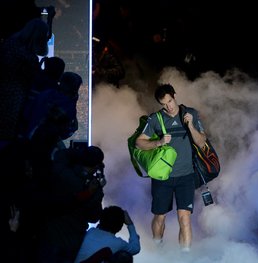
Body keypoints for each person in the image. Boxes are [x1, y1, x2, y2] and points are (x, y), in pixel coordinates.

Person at [135, 83, 206, 251]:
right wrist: (159, 142)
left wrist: (190, 126)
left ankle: (185, 257)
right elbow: (139, 143)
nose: (169, 107)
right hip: (163, 177)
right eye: (164, 104)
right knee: (160, 216)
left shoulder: (191, 114)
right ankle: (158, 248)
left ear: (174, 95)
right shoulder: (155, 119)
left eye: (170, 101)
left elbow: (201, 143)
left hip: (186, 176)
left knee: (185, 218)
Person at [74, 206, 140, 263]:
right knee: (125, 257)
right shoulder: (118, 243)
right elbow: (136, 248)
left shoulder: (91, 231)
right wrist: (130, 224)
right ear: (119, 227)